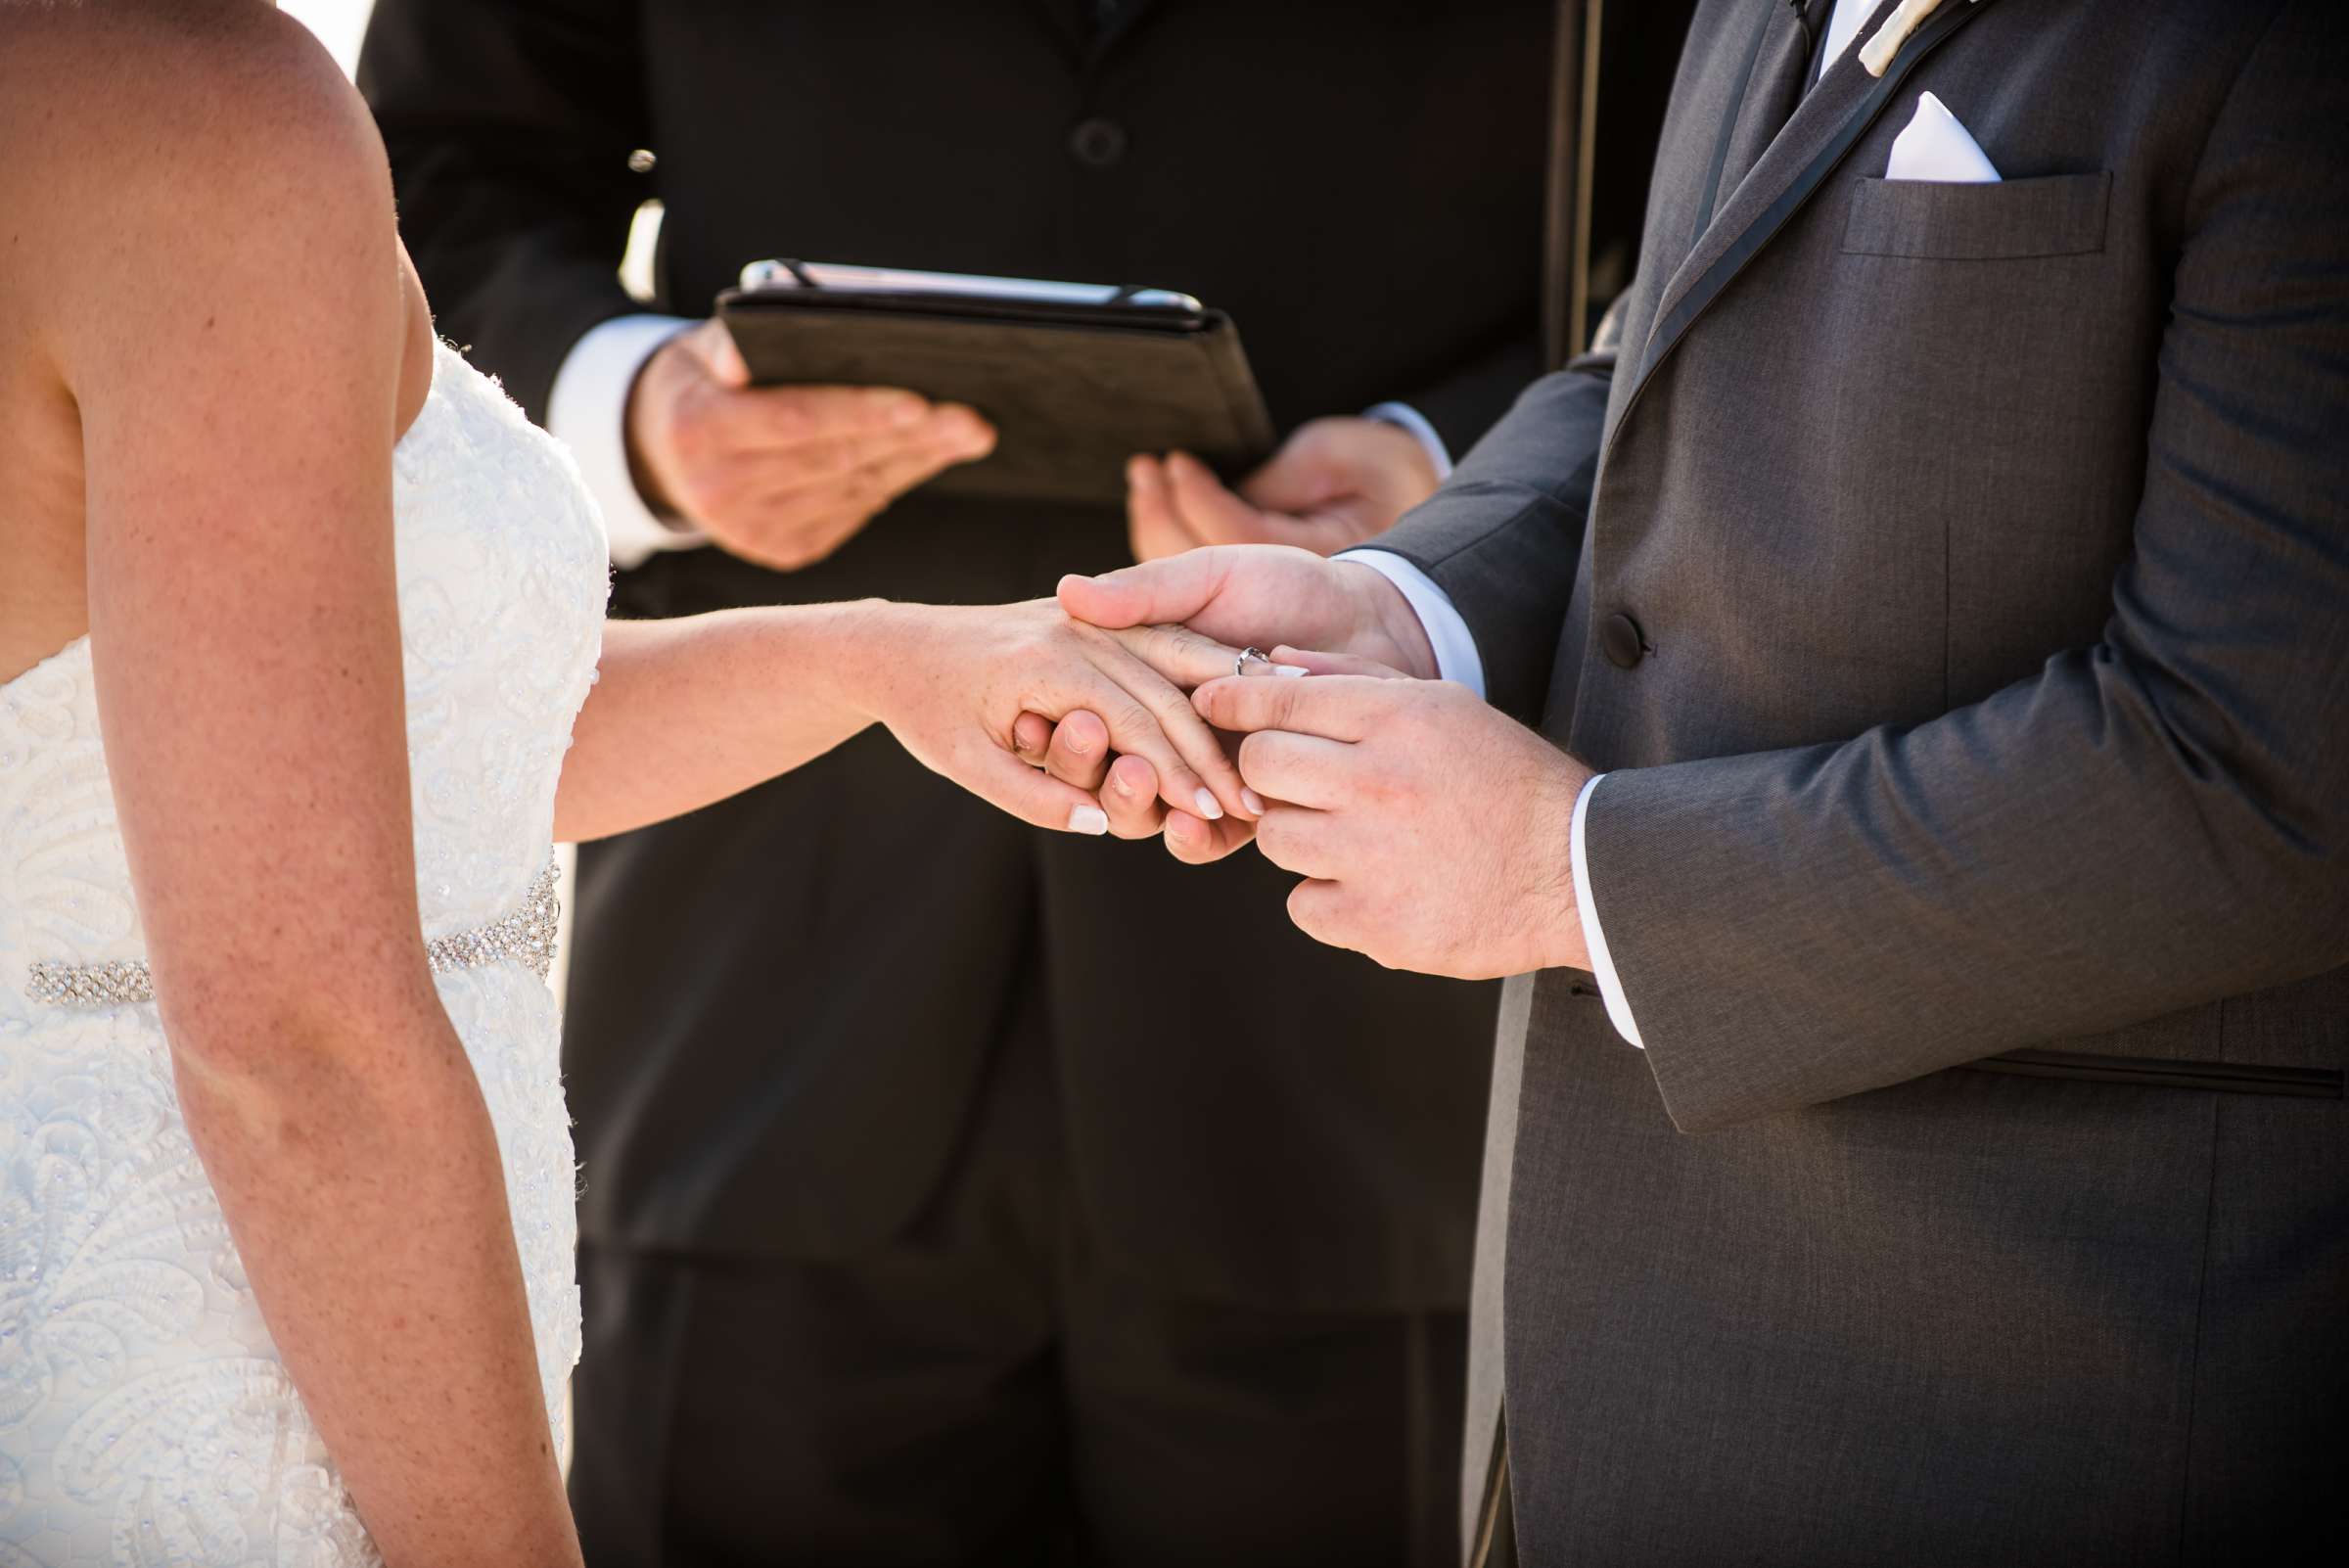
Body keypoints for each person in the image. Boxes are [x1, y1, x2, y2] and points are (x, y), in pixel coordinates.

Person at [1059, 0, 2349, 1561]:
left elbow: (2265, 771)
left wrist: (1565, 872)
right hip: (1593, 1378)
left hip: (2046, 1404)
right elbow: (1663, 345)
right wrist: (1409, 600)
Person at [0, 4, 1247, 1561]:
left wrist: (879, 660)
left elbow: (358, 764)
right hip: (247, 1412)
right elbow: (297, 1043)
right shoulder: (207, 123)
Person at [358, 3, 1565, 1561]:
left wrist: (1451, 492)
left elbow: (1705, 210)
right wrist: (636, 414)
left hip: (1351, 1037)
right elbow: (431, 163)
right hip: (763, 998)